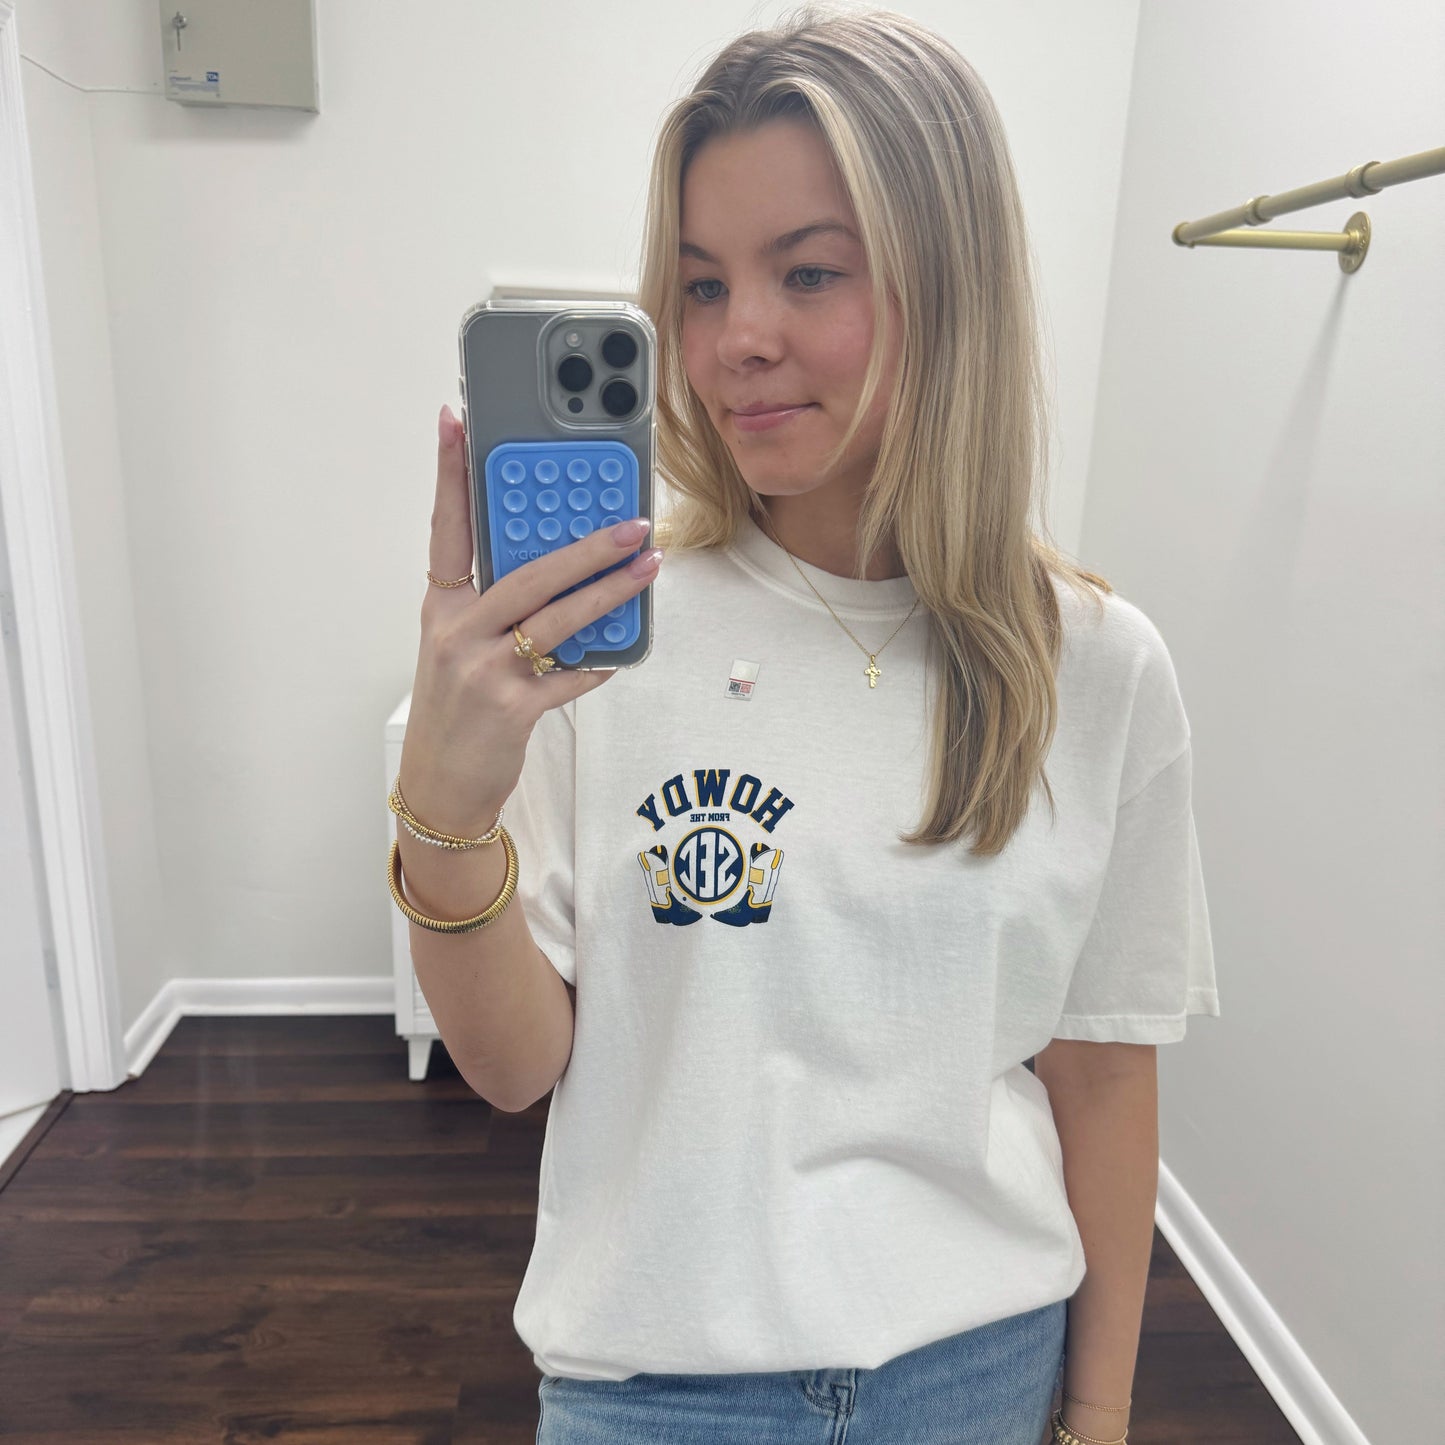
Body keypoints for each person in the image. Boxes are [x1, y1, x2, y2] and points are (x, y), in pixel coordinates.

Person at [391, 7, 1220, 1444]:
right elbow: (516, 1070)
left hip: (977, 1370)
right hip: (650, 1386)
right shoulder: (602, 636)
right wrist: (445, 814)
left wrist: (1096, 1418)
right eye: (701, 286)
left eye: (810, 271)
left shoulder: (1096, 669)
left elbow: (1098, 1074)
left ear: (949, 286)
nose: (737, 341)